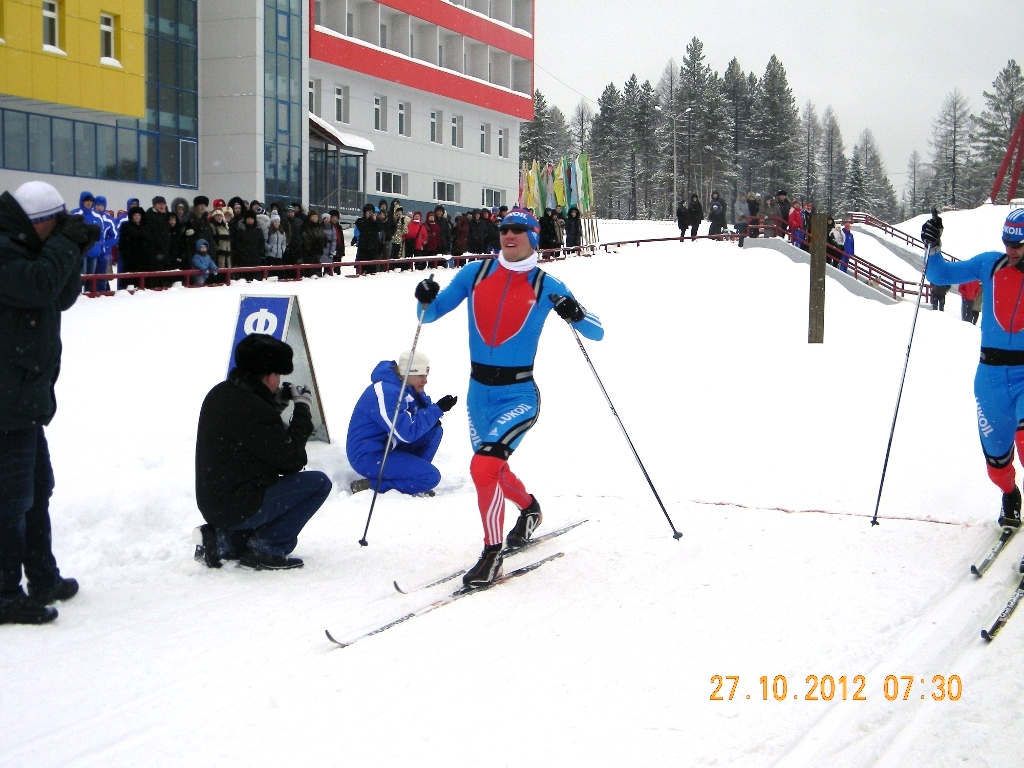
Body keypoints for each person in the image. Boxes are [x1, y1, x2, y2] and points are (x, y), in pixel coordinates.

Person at [412, 208, 604, 587]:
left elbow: (597, 331)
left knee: (483, 468)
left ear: (534, 235)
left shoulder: (547, 284)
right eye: (504, 229)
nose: (508, 235)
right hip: (477, 396)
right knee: (493, 470)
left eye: (518, 229)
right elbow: (429, 315)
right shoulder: (476, 273)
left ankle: (491, 553)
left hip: (518, 395)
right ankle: (530, 510)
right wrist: (423, 297)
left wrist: (575, 312)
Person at [0, 181, 92, 624]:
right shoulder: (4, 249)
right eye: (54, 228)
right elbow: (37, 287)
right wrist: (62, 246)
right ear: (39, 223)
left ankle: (42, 577)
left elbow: (62, 295)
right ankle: (2, 593)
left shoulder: (31, 246)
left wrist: (68, 251)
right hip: (5, 400)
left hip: (23, 396)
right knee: (10, 499)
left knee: (37, 491)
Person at [193, 334, 331, 570]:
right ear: (269, 377)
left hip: (214, 502)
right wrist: (302, 410)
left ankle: (225, 541)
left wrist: (273, 406)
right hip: (239, 505)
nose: (278, 382)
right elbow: (292, 460)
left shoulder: (220, 394)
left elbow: (251, 439)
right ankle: (267, 548)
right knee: (318, 484)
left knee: (264, 488)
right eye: (277, 375)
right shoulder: (253, 408)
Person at [924, 209, 1024, 527]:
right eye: (1007, 242)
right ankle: (1010, 494)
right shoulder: (989, 264)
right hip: (990, 378)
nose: (1011, 250)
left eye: (1018, 245)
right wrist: (934, 246)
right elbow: (940, 276)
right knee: (997, 464)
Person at [346, 351, 457, 497]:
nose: (425, 381)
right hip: (368, 456)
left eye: (426, 376)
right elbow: (407, 433)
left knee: (433, 431)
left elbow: (421, 414)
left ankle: (412, 479)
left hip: (387, 446)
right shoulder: (387, 392)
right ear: (408, 373)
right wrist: (436, 410)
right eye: (421, 376)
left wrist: (434, 409)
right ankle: (370, 485)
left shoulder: (405, 387)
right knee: (431, 477)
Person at [353, 203, 383, 273]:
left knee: (372, 268)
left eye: (371, 211)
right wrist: (366, 219)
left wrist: (376, 220)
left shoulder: (376, 222)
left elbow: (381, 228)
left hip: (373, 248)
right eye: (368, 211)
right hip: (363, 248)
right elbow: (360, 227)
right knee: (361, 268)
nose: (370, 213)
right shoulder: (360, 221)